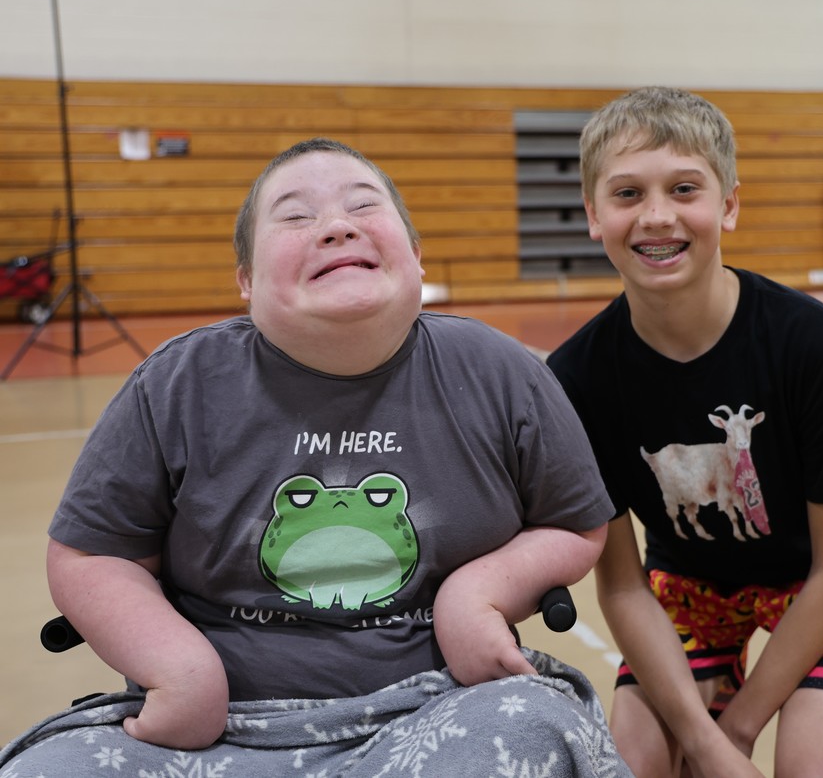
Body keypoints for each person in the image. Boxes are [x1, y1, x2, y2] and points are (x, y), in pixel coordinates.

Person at [1, 138, 632, 777]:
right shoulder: (176, 384)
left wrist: (477, 595)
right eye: (297, 216)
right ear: (246, 281)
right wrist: (179, 672)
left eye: (363, 206)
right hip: (221, 726)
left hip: (442, 708)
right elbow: (92, 555)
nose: (336, 227)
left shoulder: (502, 373)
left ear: (416, 256)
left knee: (535, 728)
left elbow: (574, 523)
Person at [546, 87, 823, 778]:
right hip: (692, 579)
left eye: (685, 189)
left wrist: (734, 731)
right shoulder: (576, 378)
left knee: (812, 764)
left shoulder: (811, 342)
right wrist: (701, 741)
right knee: (635, 761)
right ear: (593, 214)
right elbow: (622, 587)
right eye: (627, 193)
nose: (657, 215)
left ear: (729, 205)